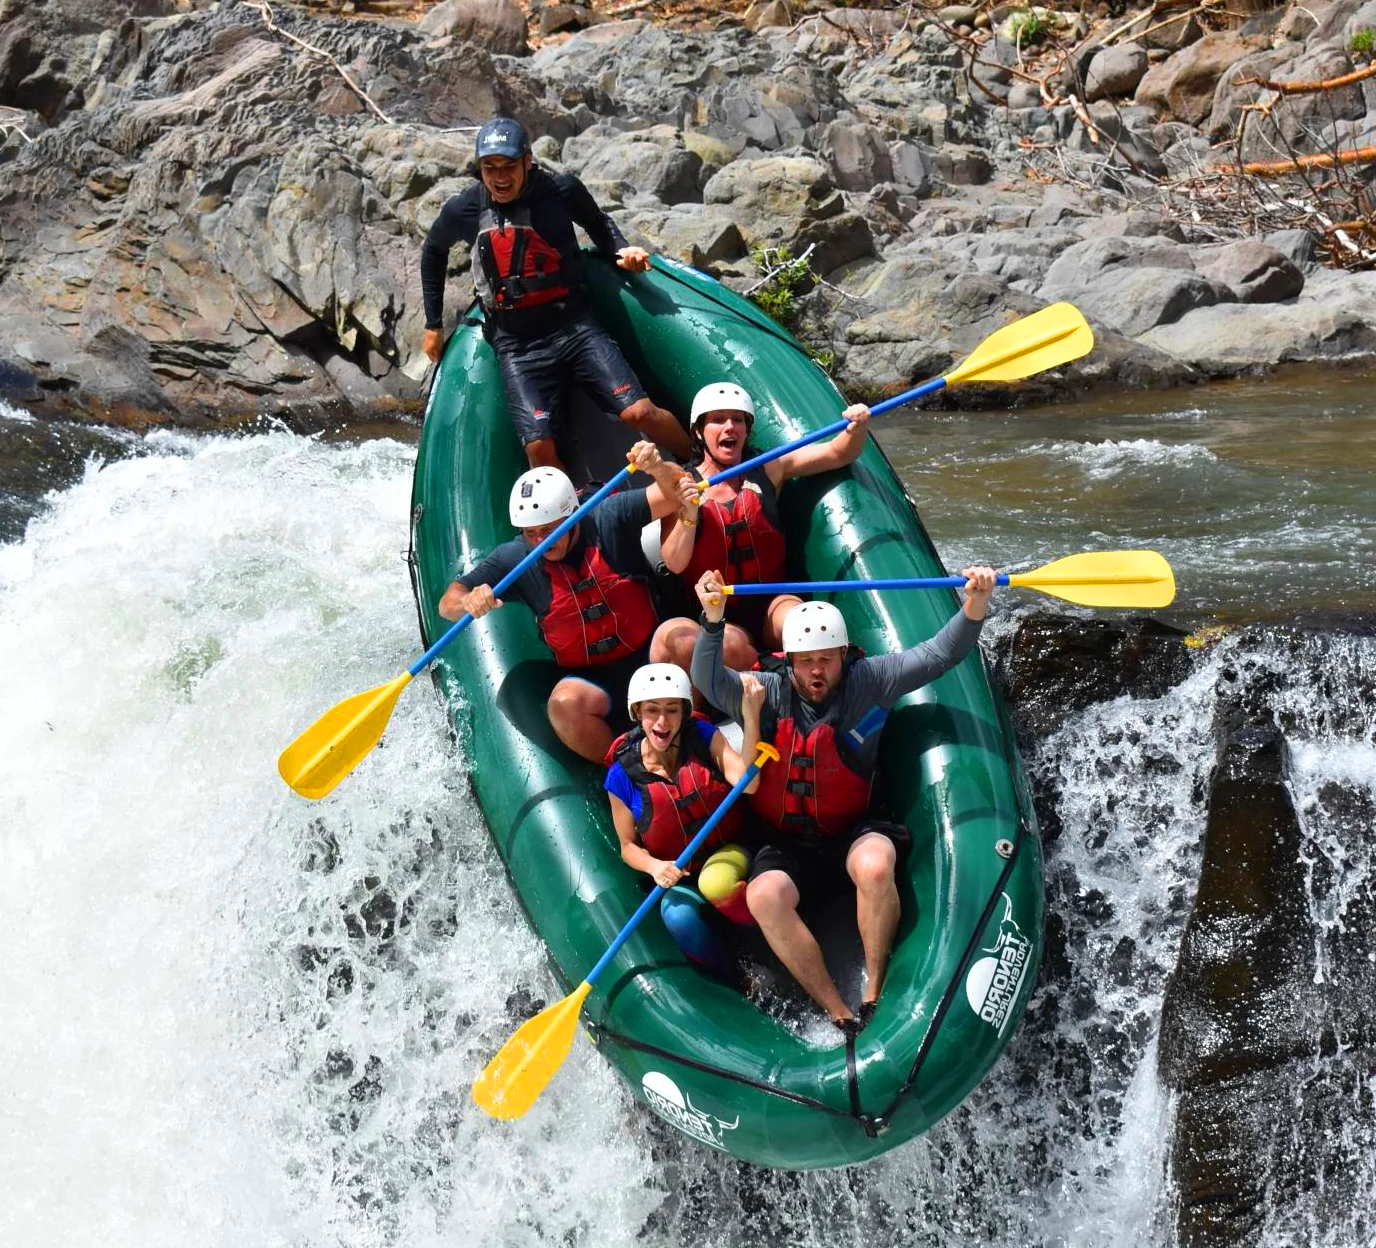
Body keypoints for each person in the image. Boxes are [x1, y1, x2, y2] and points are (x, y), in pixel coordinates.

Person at [689, 565, 998, 1030]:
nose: (817, 670)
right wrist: (712, 621)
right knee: (764, 896)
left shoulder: (870, 679)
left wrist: (975, 603)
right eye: (807, 661)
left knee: (875, 866)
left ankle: (874, 992)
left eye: (827, 659)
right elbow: (709, 680)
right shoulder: (767, 690)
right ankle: (836, 1008)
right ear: (789, 660)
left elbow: (938, 653)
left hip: (854, 829)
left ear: (843, 654)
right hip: (787, 842)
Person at [420, 116, 691, 470]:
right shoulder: (465, 208)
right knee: (538, 447)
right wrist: (433, 323)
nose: (500, 177)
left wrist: (621, 250)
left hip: (575, 328)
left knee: (638, 412)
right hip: (515, 344)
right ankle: (563, 519)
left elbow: (598, 223)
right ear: (480, 168)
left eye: (509, 167)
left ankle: (699, 462)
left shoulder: (561, 190)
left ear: (527, 162)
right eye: (490, 168)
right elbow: (433, 251)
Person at [437, 442, 698, 762]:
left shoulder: (608, 516)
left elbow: (677, 489)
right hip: (598, 684)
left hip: (651, 656)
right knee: (563, 704)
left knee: (684, 636)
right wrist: (468, 601)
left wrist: (657, 467)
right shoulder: (515, 558)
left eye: (549, 529)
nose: (540, 540)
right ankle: (631, 771)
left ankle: (696, 735)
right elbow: (447, 602)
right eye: (531, 532)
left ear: (572, 516)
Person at [650, 382, 873, 674]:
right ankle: (769, 674)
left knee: (803, 622)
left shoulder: (769, 467)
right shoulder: (682, 486)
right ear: (698, 431)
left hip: (771, 604)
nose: (730, 427)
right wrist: (688, 513)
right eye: (718, 420)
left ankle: (796, 677)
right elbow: (676, 562)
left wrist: (857, 427)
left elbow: (838, 453)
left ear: (747, 429)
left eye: (738, 420)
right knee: (728, 645)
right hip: (713, 612)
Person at [605, 663, 767, 978]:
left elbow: (749, 783)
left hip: (733, 849)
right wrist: (654, 866)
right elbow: (627, 846)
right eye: (652, 710)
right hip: (682, 874)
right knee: (678, 918)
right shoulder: (620, 776)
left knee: (716, 883)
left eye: (672, 710)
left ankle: (770, 944)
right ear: (637, 712)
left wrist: (751, 718)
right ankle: (736, 980)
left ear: (684, 712)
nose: (662, 721)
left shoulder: (702, 736)